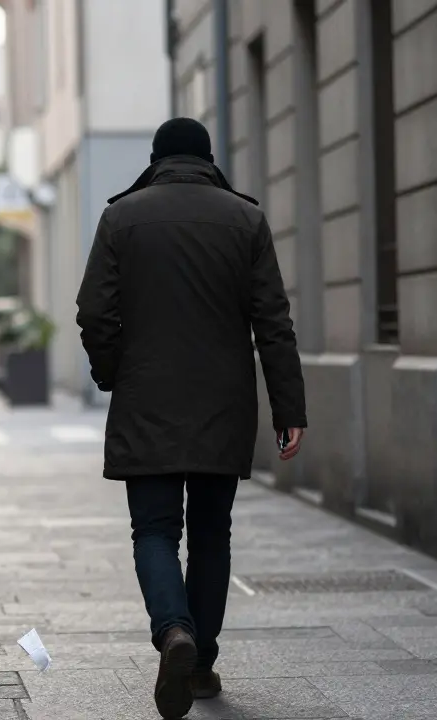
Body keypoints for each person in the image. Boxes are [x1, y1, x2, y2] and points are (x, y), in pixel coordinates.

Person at [75, 117, 306, 720]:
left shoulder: (120, 218)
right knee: (211, 534)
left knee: (153, 532)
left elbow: (93, 310)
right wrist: (289, 408)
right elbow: (273, 322)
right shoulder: (245, 219)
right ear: (208, 158)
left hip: (145, 401)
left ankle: (173, 631)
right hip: (223, 404)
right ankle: (199, 662)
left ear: (155, 159)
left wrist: (112, 372)